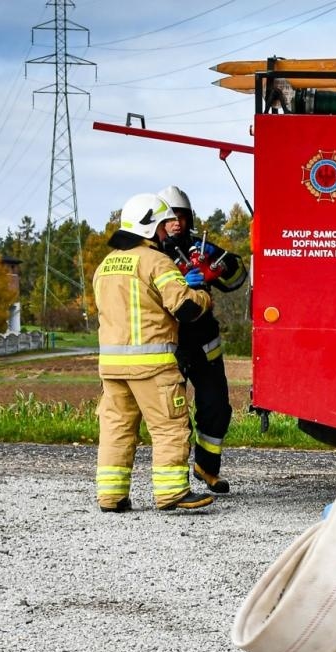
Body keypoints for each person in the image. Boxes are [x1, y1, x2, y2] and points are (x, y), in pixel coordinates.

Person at [91, 192, 216, 512]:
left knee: (117, 430)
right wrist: (201, 294)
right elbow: (186, 308)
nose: (165, 233)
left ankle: (111, 496)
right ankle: (172, 493)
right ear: (148, 227)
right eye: (161, 227)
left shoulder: (104, 266)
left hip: (112, 367)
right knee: (170, 427)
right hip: (152, 365)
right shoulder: (156, 261)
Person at [157, 184, 249, 494]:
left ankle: (207, 468)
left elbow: (236, 280)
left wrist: (221, 267)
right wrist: (182, 282)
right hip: (171, 342)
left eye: (181, 217)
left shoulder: (199, 246)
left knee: (217, 407)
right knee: (174, 414)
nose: (177, 224)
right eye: (170, 218)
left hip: (204, 343)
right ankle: (174, 479)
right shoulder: (151, 254)